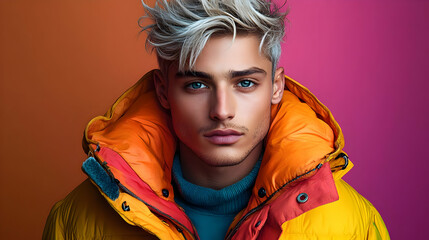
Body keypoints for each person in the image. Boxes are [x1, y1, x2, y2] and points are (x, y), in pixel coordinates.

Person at [43, 0, 389, 239]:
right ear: (163, 91)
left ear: (276, 87)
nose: (222, 110)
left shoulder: (351, 222)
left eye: (245, 83)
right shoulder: (78, 218)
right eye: (197, 84)